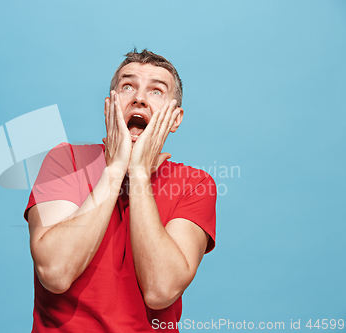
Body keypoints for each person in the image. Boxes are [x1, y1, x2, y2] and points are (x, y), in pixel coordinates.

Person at [24, 49, 217, 332]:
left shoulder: (195, 184)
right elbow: (55, 273)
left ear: (175, 119)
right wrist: (115, 170)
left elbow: (160, 290)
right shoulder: (66, 161)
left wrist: (138, 174)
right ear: (109, 107)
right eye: (128, 86)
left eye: (156, 91)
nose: (139, 98)